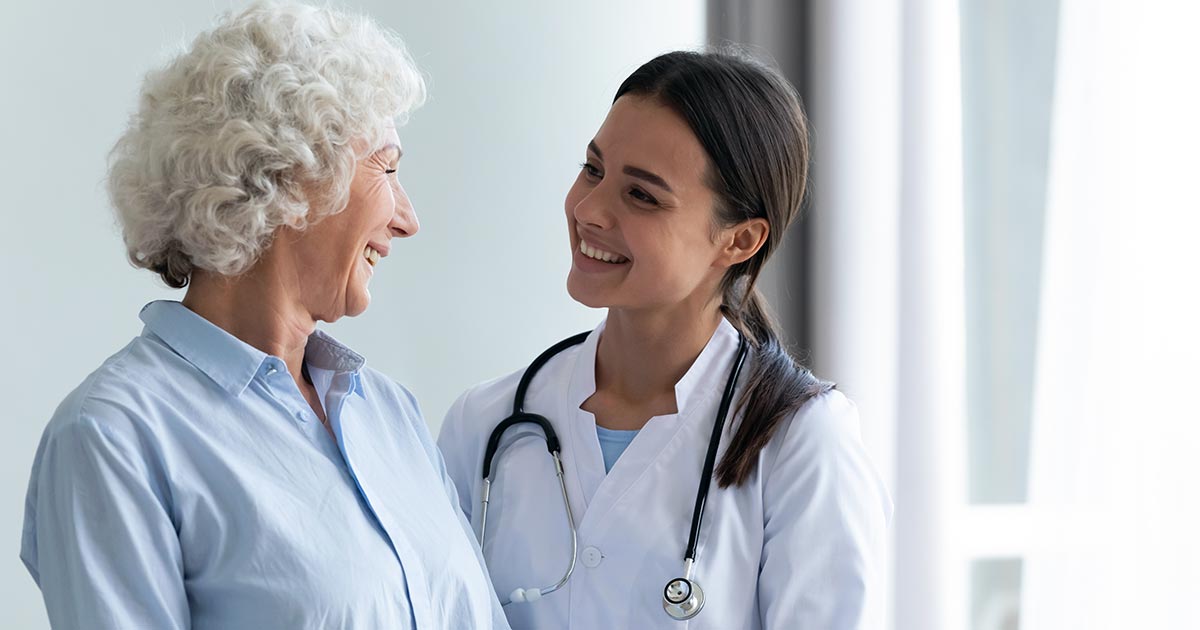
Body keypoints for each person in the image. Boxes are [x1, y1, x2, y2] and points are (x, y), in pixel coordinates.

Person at [19, 2, 508, 628]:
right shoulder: (114, 437)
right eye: (386, 168)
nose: (408, 219)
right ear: (292, 176)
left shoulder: (387, 412)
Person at [437, 50, 892, 629]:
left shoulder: (803, 445)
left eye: (642, 196)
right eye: (593, 169)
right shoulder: (486, 424)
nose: (589, 210)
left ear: (740, 240)